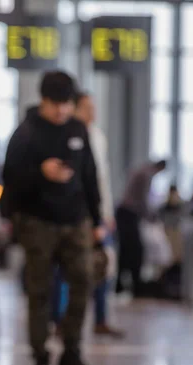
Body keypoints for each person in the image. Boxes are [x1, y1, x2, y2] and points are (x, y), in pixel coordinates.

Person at [2, 71, 104, 365]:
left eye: (66, 104)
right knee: (40, 291)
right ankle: (40, 355)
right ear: (43, 101)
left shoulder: (78, 129)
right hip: (38, 223)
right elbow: (9, 182)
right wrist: (40, 173)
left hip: (75, 221)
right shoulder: (26, 133)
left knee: (84, 280)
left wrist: (97, 221)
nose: (61, 111)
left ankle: (71, 350)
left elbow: (90, 176)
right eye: (55, 104)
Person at [73, 92, 123, 338]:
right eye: (86, 108)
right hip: (79, 215)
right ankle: (63, 321)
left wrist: (107, 213)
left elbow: (102, 181)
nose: (92, 113)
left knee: (105, 266)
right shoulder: (70, 137)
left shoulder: (98, 137)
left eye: (93, 108)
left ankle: (101, 318)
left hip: (100, 213)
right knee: (71, 271)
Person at [115, 160, 167, 296]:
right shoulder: (147, 174)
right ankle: (135, 286)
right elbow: (143, 200)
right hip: (128, 214)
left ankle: (121, 285)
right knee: (136, 250)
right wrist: (151, 217)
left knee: (126, 250)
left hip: (125, 213)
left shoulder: (142, 169)